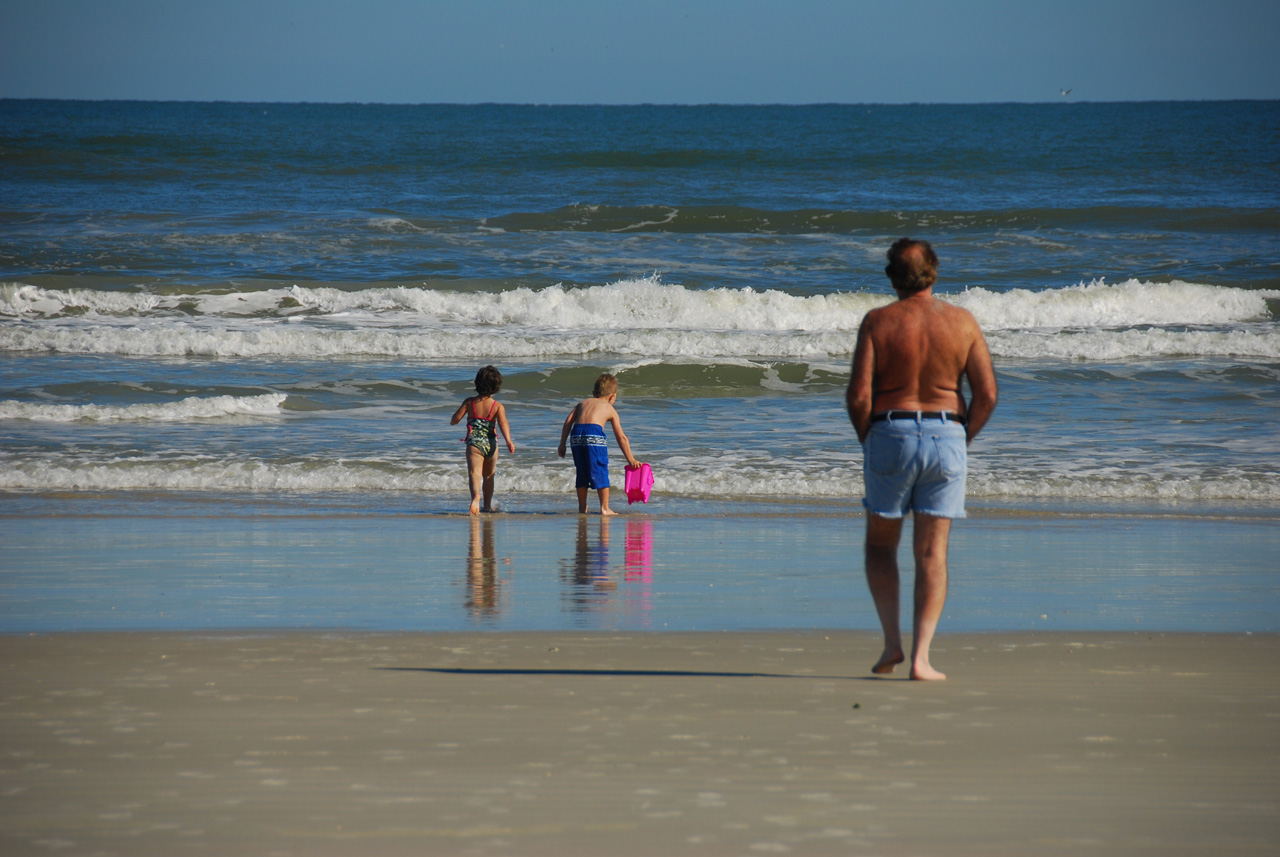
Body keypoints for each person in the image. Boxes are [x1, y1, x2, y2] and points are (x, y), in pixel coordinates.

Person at [846, 238, 997, 680]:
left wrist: (868, 440)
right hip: (947, 432)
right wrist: (960, 438)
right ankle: (922, 659)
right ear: (934, 272)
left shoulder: (878, 321)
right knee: (932, 552)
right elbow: (986, 394)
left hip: (890, 430)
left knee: (880, 544)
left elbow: (858, 396)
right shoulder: (963, 322)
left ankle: (892, 643)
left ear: (892, 276)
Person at [557, 373, 640, 516]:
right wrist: (630, 459)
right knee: (600, 470)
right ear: (612, 396)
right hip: (593, 434)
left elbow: (568, 422)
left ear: (593, 393)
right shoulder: (609, 408)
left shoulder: (582, 404)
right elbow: (621, 437)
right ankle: (605, 508)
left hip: (576, 436)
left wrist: (562, 444)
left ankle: (582, 508)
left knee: (582, 472)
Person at [450, 365, 515, 515]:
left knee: (474, 473)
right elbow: (503, 424)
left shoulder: (469, 402)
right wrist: (509, 441)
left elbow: (455, 420)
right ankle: (487, 505)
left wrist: (454, 419)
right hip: (492, 444)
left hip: (474, 443)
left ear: (477, 383)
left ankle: (475, 498)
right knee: (489, 475)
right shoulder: (497, 406)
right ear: (496, 386)